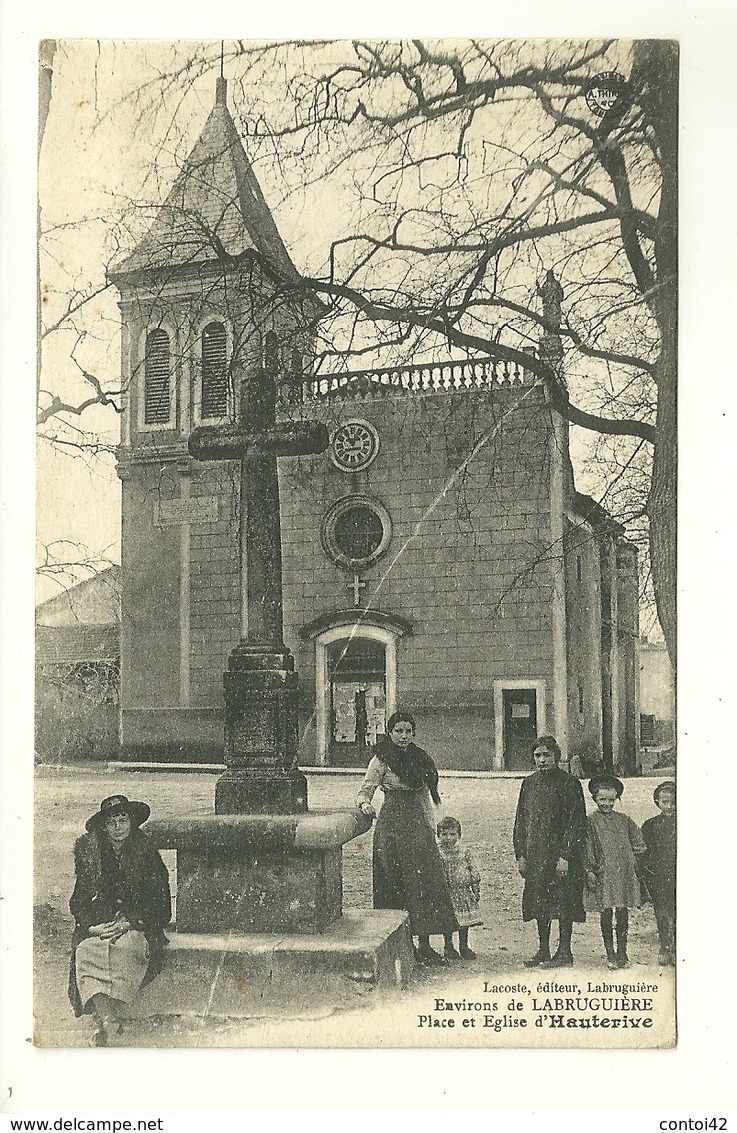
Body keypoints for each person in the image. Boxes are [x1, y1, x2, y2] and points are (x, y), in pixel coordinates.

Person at [68, 794, 171, 1046]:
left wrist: (131, 922)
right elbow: (78, 901)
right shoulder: (91, 856)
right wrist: (93, 926)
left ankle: (107, 1021)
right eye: (111, 822)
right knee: (88, 950)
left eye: (122, 820)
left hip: (136, 923)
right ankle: (108, 1018)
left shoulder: (147, 854)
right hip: (102, 924)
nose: (117, 827)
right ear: (104, 826)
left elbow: (162, 904)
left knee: (128, 947)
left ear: (131, 822)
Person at [357, 710, 458, 965]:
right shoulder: (381, 759)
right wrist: (365, 805)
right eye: (398, 731)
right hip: (391, 827)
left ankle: (425, 945)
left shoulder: (421, 759)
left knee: (423, 884)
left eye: (408, 731)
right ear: (390, 733)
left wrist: (431, 825)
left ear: (414, 733)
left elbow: (426, 796)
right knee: (394, 882)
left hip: (417, 827)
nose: (403, 736)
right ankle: (402, 945)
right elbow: (365, 790)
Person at [512, 735, 587, 968]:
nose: (542, 760)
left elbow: (576, 822)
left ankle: (564, 951)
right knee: (539, 901)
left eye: (546, 755)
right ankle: (543, 949)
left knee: (564, 902)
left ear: (557, 756)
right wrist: (520, 854)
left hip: (560, 856)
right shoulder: (529, 783)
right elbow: (520, 820)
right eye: (537, 755)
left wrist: (565, 856)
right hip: (536, 853)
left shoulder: (570, 784)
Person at [584, 775, 646, 969]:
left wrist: (632, 859)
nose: (607, 804)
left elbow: (638, 842)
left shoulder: (624, 820)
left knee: (622, 911)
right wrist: (591, 869)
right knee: (606, 912)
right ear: (595, 799)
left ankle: (622, 953)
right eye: (602, 800)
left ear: (617, 799)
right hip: (604, 874)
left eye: (611, 800)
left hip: (623, 873)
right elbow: (587, 848)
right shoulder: (590, 821)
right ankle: (610, 953)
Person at [436, 816, 482, 960]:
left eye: (452, 834)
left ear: (459, 835)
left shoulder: (464, 851)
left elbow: (473, 869)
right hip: (446, 893)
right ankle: (448, 946)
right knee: (448, 921)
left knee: (463, 923)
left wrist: (475, 887)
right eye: (444, 834)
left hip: (462, 892)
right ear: (438, 835)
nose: (448, 838)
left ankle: (464, 946)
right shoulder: (438, 852)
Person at [641, 781, 676, 966]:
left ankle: (678, 947)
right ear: (657, 802)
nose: (669, 806)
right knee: (662, 912)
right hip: (660, 877)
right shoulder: (651, 825)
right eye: (665, 802)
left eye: (673, 802)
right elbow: (644, 851)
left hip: (679, 876)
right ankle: (664, 946)